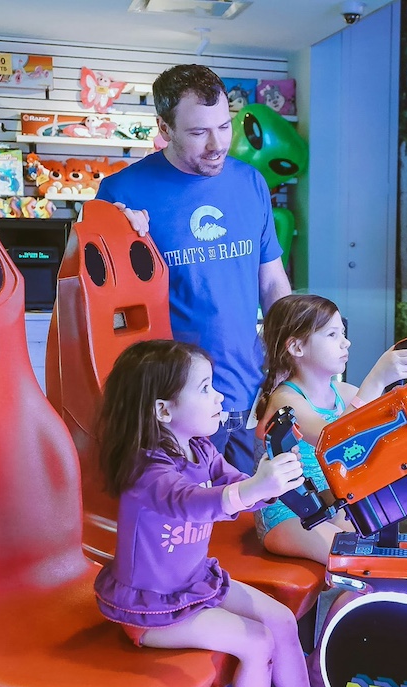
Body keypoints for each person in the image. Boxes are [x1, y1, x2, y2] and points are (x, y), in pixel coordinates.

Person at [93, 339, 355, 687]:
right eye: (206, 389)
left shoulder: (199, 449)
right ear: (163, 410)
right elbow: (193, 504)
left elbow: (235, 482)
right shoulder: (146, 471)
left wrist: (276, 484)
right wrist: (254, 489)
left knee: (278, 617)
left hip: (196, 583)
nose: (220, 399)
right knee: (254, 642)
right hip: (155, 609)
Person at [97, 64, 290, 474]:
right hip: (170, 405)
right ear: (164, 129)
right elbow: (95, 301)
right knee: (183, 525)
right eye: (199, 132)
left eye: (224, 126)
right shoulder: (122, 193)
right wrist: (109, 232)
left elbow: (271, 280)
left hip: (247, 393)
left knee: (247, 523)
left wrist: (286, 362)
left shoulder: (250, 182)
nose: (218, 144)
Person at [252, 294, 407, 564]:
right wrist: (376, 380)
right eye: (332, 335)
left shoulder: (343, 393)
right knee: (360, 559)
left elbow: (404, 420)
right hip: (290, 514)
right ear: (296, 347)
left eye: (343, 332)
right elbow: (334, 442)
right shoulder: (286, 400)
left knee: (388, 545)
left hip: (335, 502)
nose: (346, 342)